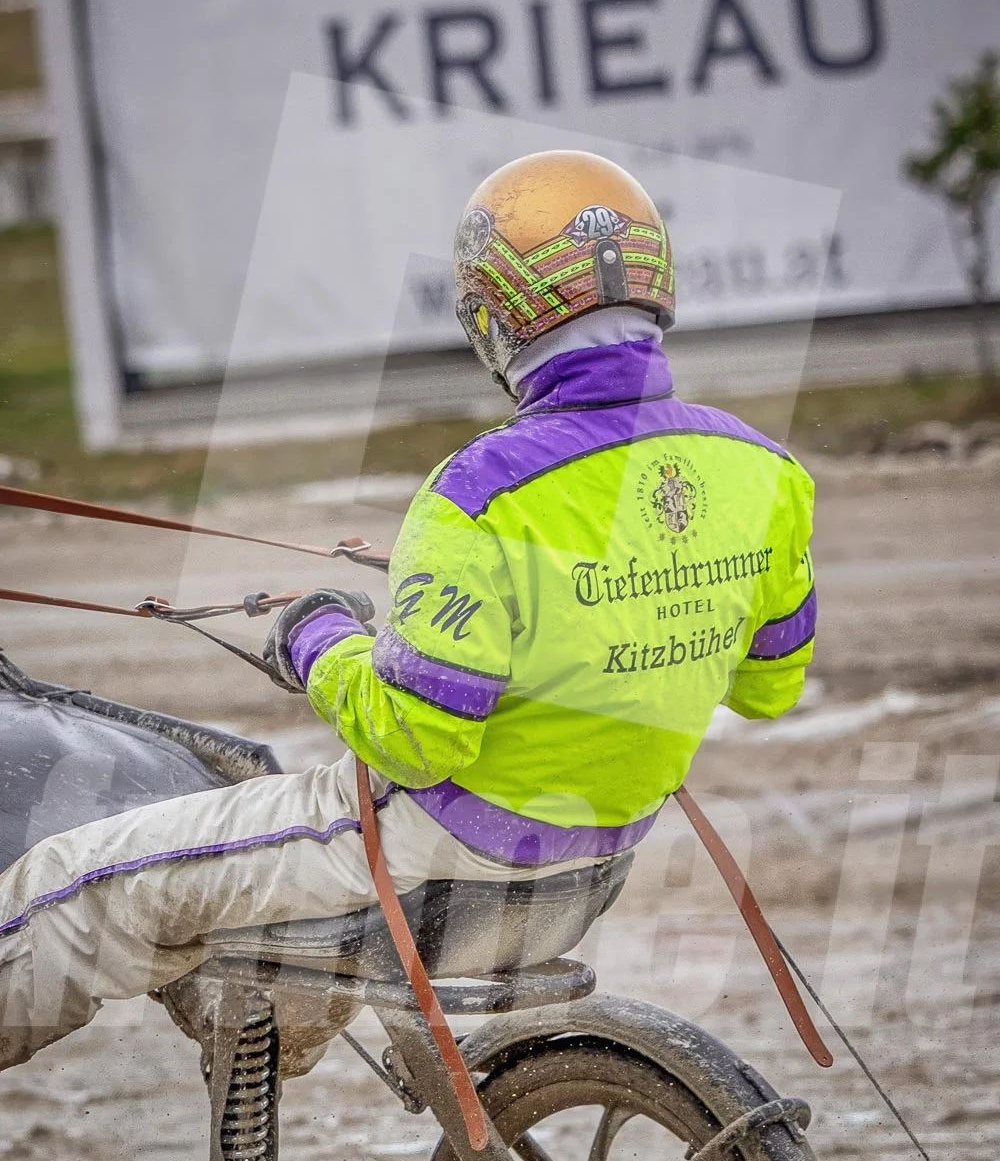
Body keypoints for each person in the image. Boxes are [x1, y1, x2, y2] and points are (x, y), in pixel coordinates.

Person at [0, 150, 816, 1072]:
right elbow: (767, 687)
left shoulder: (477, 492)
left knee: (67, 882)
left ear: (497, 316)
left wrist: (319, 641)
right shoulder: (767, 470)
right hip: (589, 875)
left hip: (440, 867)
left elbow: (415, 740)